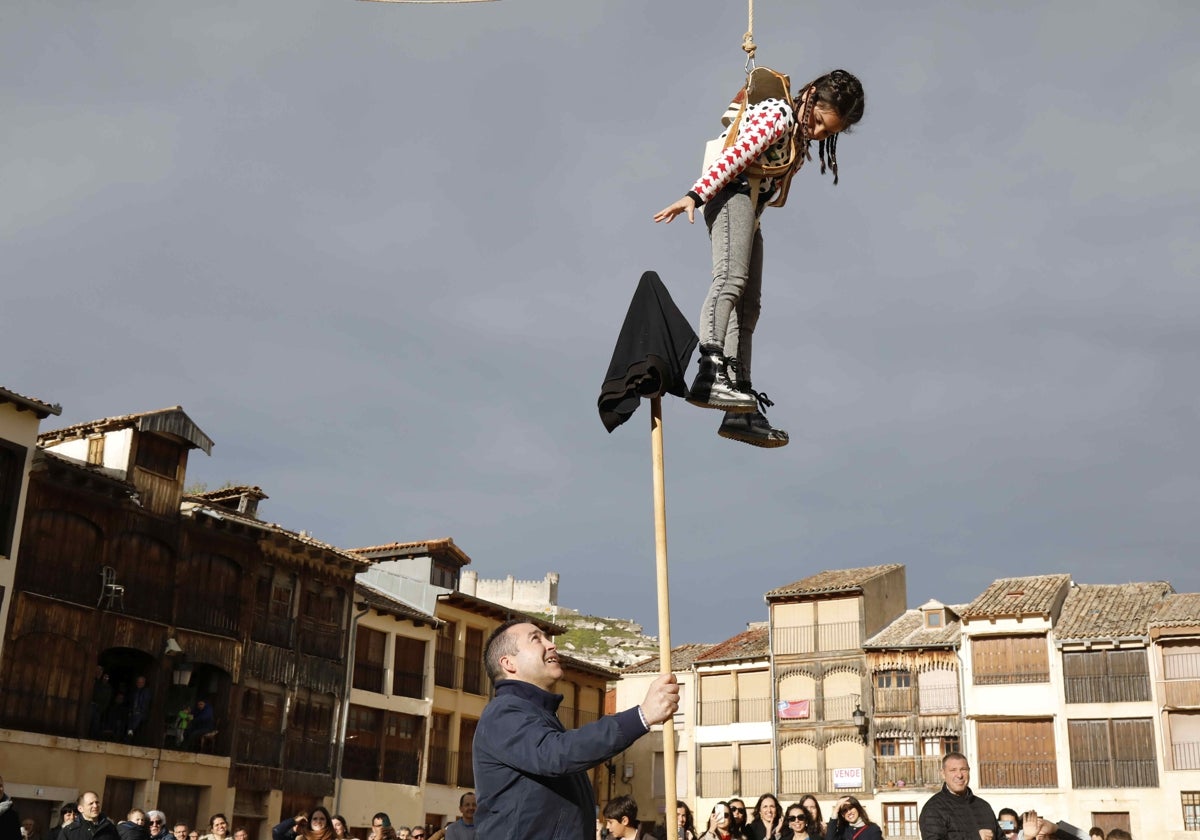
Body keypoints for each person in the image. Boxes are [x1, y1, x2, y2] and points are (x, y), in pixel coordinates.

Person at [654, 69, 866, 448]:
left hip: (748, 210)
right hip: (729, 191)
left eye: (827, 133)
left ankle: (739, 405)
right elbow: (736, 155)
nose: (818, 133)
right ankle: (711, 369)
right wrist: (695, 195)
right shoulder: (779, 114)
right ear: (810, 96)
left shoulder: (798, 139)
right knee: (730, 280)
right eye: (818, 121)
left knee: (749, 306)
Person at [473, 619, 679, 840]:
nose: (551, 645)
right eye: (536, 639)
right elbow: (556, 753)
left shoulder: (539, 718)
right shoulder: (502, 713)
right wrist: (642, 716)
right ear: (508, 663)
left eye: (547, 638)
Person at [919, 753, 1001, 840]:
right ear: (943, 774)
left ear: (969, 771)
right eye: (953, 770)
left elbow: (1001, 837)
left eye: (963, 769)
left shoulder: (984, 806)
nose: (959, 775)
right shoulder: (933, 808)